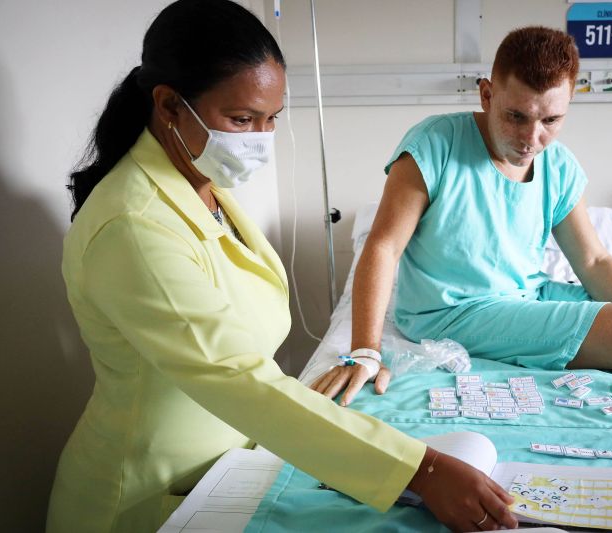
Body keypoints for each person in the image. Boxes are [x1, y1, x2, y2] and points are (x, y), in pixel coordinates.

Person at [46, 2, 518, 532]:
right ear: (170, 105)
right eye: (242, 119)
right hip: (146, 497)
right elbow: (235, 376)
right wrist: (422, 469)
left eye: (272, 119)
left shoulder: (203, 187)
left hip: (229, 463)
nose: (259, 139)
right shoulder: (132, 226)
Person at [311, 26, 612, 436]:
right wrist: (365, 352)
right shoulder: (433, 145)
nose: (531, 139)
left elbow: (594, 263)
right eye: (515, 116)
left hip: (525, 295)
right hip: (451, 312)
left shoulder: (559, 167)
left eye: (551, 120)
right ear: (486, 94)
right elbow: (382, 247)